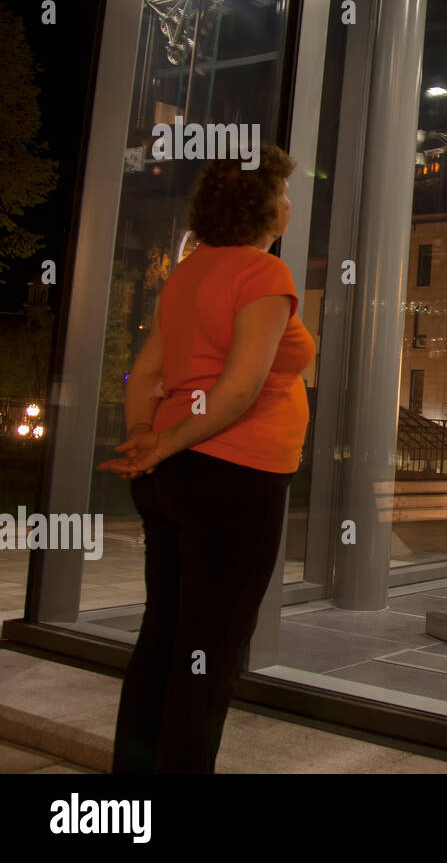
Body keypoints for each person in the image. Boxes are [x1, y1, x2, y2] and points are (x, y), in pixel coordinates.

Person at [97, 145, 314, 774]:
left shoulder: (190, 272)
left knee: (164, 637)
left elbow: (146, 375)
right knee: (209, 654)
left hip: (174, 477)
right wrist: (160, 443)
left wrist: (147, 435)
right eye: (282, 192)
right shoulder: (264, 274)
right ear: (269, 210)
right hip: (235, 477)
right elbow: (239, 390)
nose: (289, 203)